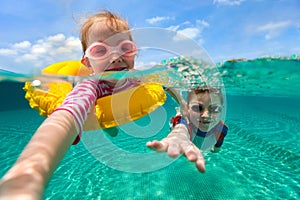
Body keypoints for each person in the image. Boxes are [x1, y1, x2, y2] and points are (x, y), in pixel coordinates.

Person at [147, 86, 228, 171]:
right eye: (197, 108)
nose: (206, 116)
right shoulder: (184, 123)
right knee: (180, 117)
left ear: (222, 109)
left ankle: (183, 109)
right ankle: (179, 111)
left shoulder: (221, 129)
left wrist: (215, 151)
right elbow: (181, 129)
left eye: (215, 108)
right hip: (181, 120)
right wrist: (178, 136)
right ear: (189, 109)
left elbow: (216, 149)